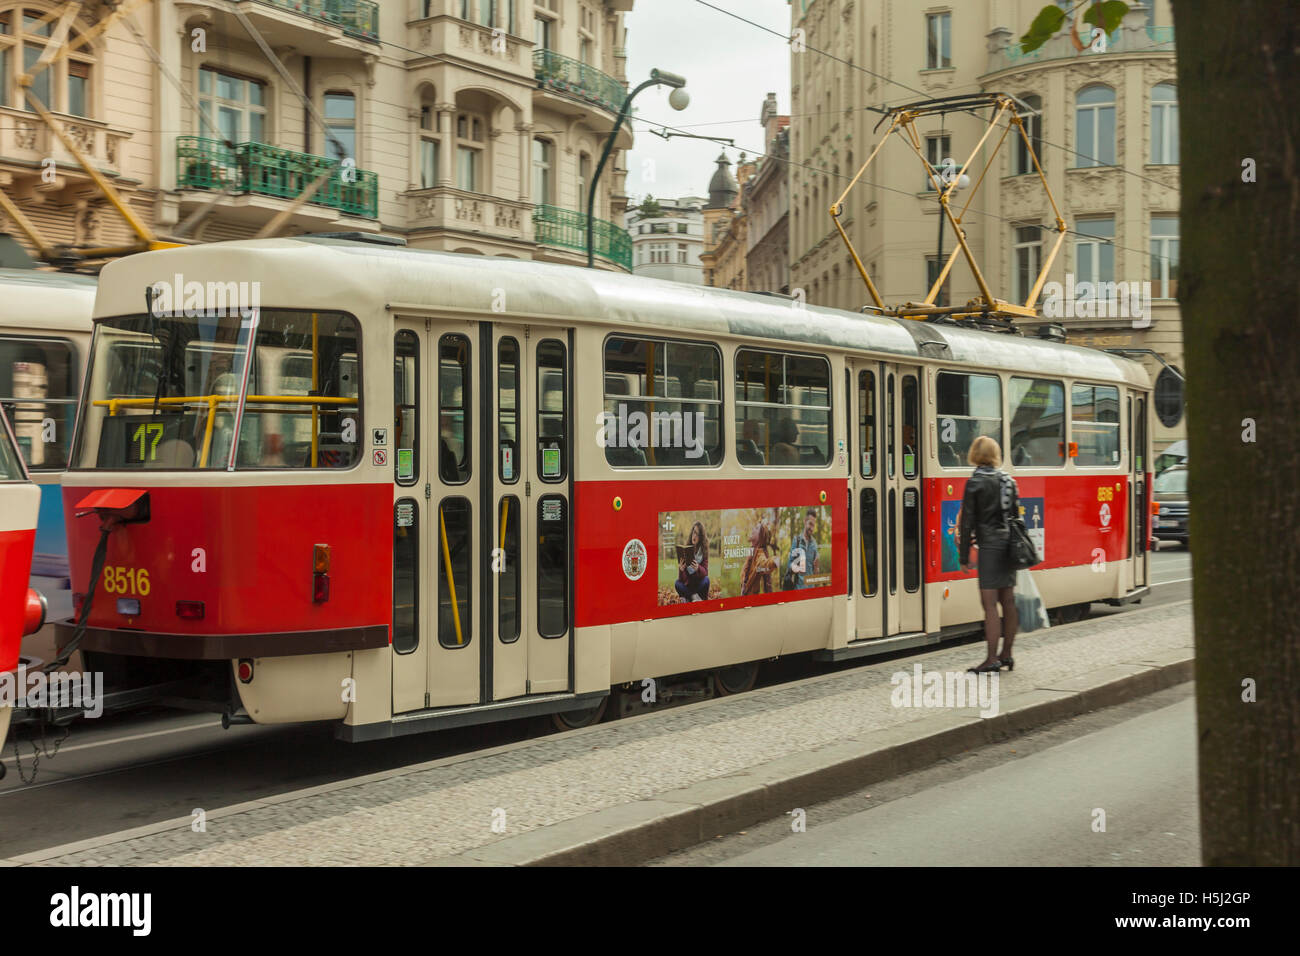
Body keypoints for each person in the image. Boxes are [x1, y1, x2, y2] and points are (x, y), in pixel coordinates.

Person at [958, 435, 1020, 673]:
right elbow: (1015, 516)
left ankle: (991, 659)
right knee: (1008, 601)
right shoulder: (1008, 481)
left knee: (990, 604)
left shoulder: (975, 483)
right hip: (1009, 546)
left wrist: (964, 557)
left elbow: (967, 524)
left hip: (990, 548)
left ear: (975, 454)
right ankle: (1007, 654)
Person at [674, 521, 710, 602]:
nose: (694, 536)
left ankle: (688, 597)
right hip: (688, 585)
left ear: (701, 537)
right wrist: (681, 570)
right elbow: (681, 580)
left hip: (699, 585)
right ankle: (693, 596)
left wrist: (698, 568)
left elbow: (705, 572)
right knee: (677, 583)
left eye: (697, 534)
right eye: (693, 532)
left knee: (706, 580)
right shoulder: (686, 550)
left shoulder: (704, 551)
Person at [784, 509, 820, 589]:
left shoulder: (814, 544)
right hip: (798, 589)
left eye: (813, 525)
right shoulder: (796, 541)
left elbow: (816, 573)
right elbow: (789, 565)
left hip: (811, 590)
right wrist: (796, 566)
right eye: (810, 524)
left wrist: (817, 568)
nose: (812, 528)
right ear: (805, 521)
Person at [740, 522, 775, 595]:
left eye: (756, 528)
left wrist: (777, 560)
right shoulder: (752, 551)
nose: (753, 528)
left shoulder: (760, 554)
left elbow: (765, 565)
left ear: (760, 537)